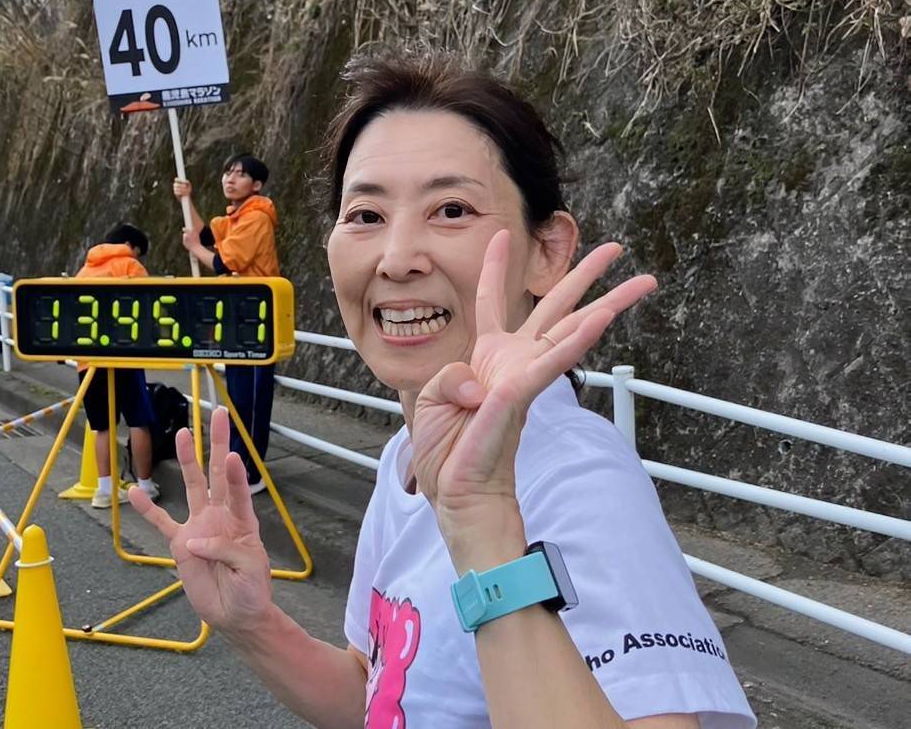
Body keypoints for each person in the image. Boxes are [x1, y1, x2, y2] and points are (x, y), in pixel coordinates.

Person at [131, 54, 756, 728]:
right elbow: (378, 693)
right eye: (365, 214)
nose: (397, 258)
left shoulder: (574, 477)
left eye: (451, 209)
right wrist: (253, 625)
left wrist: (483, 525)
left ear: (547, 250)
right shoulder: (405, 455)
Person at [174, 153, 280, 494]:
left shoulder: (256, 218)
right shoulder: (235, 218)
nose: (230, 179)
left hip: (256, 317)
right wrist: (187, 198)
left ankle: (251, 473)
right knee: (236, 398)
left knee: (251, 400)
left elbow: (223, 262)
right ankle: (237, 467)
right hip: (238, 314)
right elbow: (206, 236)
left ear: (257, 184)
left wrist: (194, 247)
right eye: (227, 172)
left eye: (240, 174)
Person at [76, 223, 160, 508]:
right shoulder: (130, 266)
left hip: (89, 360)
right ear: (130, 246)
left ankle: (104, 490)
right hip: (125, 357)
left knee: (101, 426)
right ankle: (145, 486)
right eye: (138, 252)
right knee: (138, 420)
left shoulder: (84, 271)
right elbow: (149, 310)